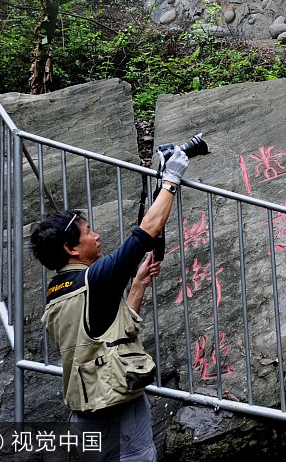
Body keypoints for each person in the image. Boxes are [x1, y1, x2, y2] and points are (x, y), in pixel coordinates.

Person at [30, 148, 190, 461]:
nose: (97, 236)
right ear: (71, 248)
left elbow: (107, 335)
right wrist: (171, 180)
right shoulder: (95, 279)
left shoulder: (57, 292)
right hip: (119, 412)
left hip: (86, 412)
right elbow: (146, 231)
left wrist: (139, 283)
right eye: (88, 231)